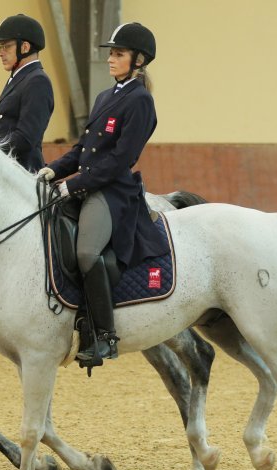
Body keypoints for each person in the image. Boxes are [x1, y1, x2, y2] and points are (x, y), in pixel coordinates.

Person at [37, 22, 168, 362]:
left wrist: (74, 184)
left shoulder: (140, 101)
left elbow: (120, 159)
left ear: (138, 60)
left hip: (112, 191)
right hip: (86, 183)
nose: (111, 59)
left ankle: (104, 334)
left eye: (118, 54)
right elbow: (83, 149)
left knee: (85, 254)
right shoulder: (104, 96)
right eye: (111, 53)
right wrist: (54, 169)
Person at [0, 14, 54, 172]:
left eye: (6, 46)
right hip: (5, 169)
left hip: (21, 174)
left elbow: (25, 139)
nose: (0, 53)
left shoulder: (37, 81)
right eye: (0, 47)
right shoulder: (19, 78)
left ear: (24, 47)